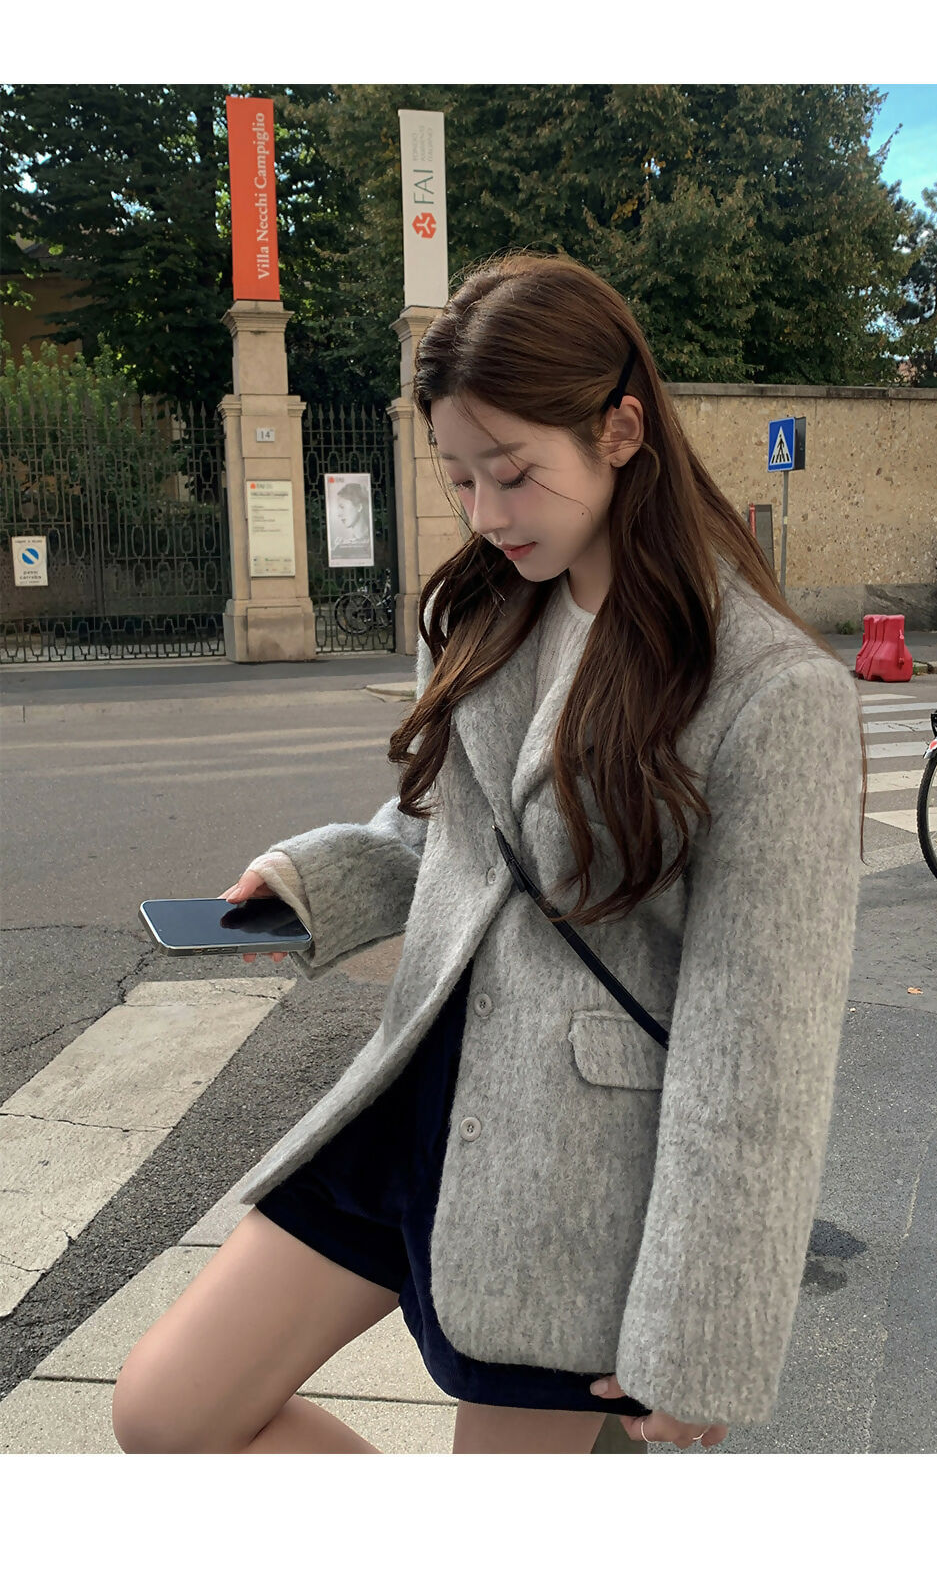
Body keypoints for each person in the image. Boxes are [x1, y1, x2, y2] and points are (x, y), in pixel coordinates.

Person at [112, 249, 868, 1455]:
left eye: (512, 473)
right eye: (458, 476)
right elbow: (456, 830)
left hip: (576, 1170)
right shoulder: (484, 606)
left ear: (621, 430)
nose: (484, 514)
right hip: (415, 1091)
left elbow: (760, 1045)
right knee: (167, 1411)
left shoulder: (770, 690)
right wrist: (315, 878)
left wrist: (698, 1335)